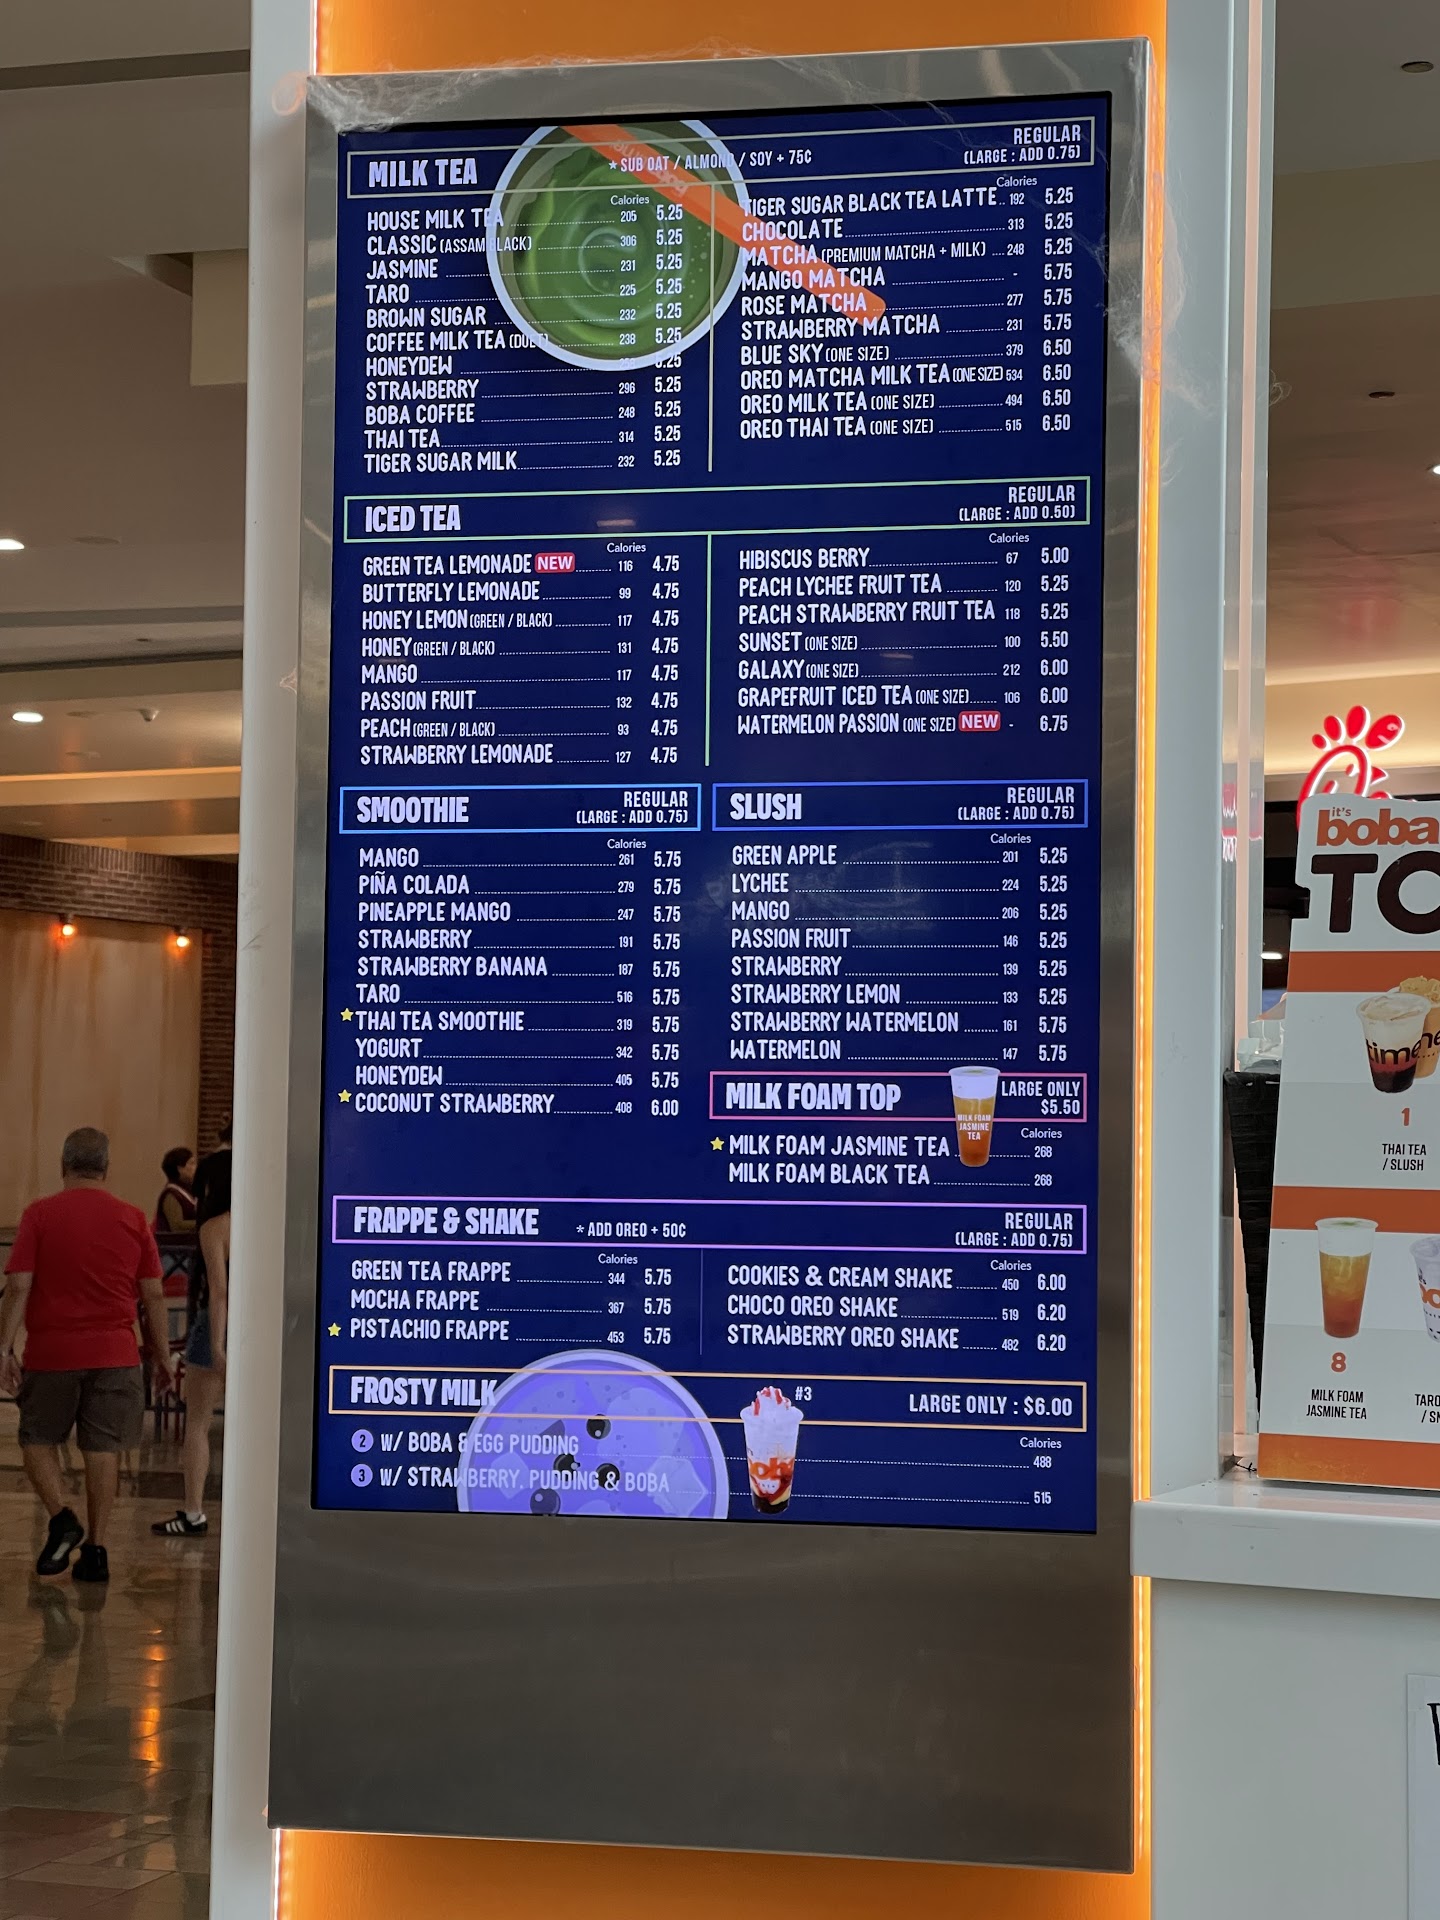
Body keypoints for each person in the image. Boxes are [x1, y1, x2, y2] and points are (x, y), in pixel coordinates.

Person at [0, 1127, 175, 1583]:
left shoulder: (39, 1215)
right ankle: (96, 1551)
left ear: (63, 1165)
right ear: (105, 1168)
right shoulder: (133, 1219)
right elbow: (154, 1295)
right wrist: (160, 1356)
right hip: (115, 1354)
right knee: (103, 1450)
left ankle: (62, 1517)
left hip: (52, 1353)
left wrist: (4, 1348)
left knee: (37, 1440)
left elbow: (18, 1286)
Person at [153, 1151, 230, 1538]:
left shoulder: (215, 1228)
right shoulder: (266, 1223)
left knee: (197, 1424)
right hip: (260, 1327)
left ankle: (194, 1512)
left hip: (217, 1324)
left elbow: (219, 1291)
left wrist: (217, 1346)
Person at [153, 1146, 197, 1237]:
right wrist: (204, 1223)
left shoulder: (190, 1191)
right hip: (175, 1244)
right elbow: (177, 1226)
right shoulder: (171, 1194)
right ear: (180, 1168)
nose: (195, 1168)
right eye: (191, 1163)